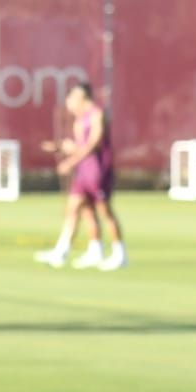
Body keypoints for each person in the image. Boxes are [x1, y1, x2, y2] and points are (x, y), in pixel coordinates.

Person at [37, 81, 127, 271]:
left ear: (80, 96)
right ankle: (73, 251)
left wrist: (70, 162)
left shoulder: (97, 115)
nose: (69, 104)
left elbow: (93, 144)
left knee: (104, 211)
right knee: (77, 209)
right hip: (83, 171)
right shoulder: (79, 121)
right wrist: (61, 147)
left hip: (98, 171)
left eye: (71, 99)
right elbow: (81, 146)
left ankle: (120, 254)